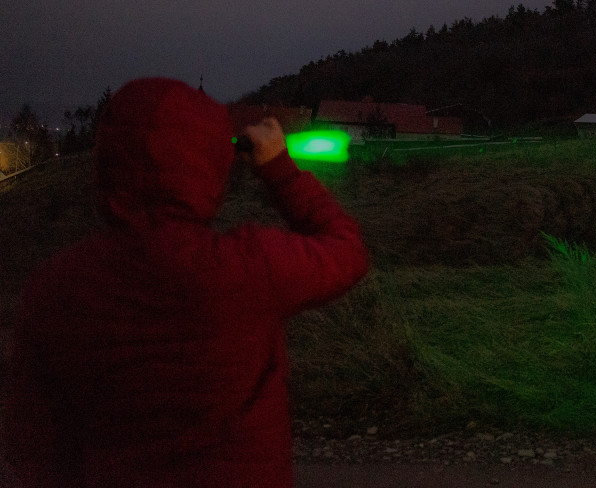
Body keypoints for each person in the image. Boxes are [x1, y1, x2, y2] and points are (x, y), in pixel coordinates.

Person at [2, 77, 370, 487]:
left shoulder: (53, 289)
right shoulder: (247, 269)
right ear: (209, 165)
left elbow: (33, 442)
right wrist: (279, 170)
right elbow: (347, 250)